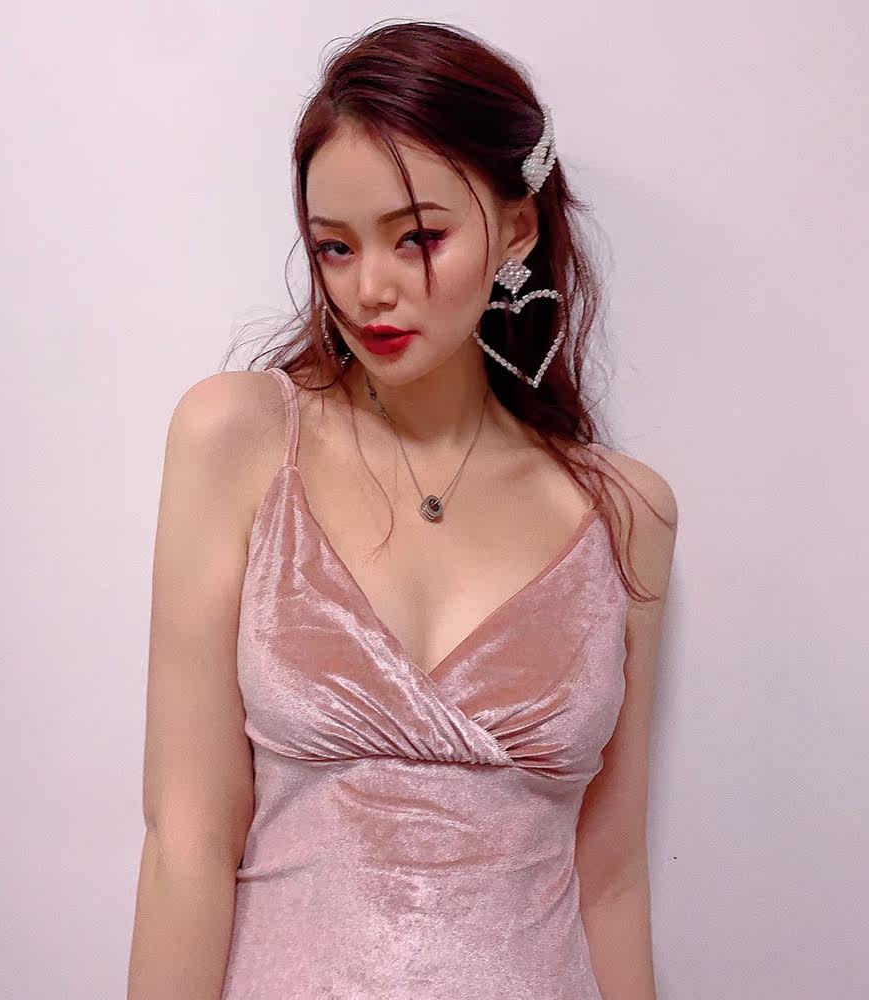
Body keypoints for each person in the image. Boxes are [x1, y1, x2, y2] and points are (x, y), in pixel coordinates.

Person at [127, 19, 677, 1000]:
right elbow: (186, 844)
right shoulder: (240, 439)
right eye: (334, 247)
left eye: (418, 237)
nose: (370, 287)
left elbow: (613, 882)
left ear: (517, 228)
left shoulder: (625, 512)